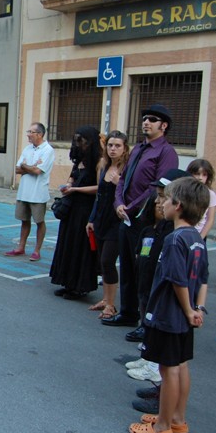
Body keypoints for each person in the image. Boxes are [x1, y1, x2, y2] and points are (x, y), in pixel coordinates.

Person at [128, 176, 210, 433]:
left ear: (179, 206)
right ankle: (176, 417)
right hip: (185, 316)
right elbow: (203, 278)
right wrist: (198, 309)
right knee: (180, 365)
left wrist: (187, 310)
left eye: (165, 199)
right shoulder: (197, 238)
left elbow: (178, 280)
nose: (160, 203)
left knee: (168, 369)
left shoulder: (175, 240)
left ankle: (162, 428)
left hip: (169, 315)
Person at [104, 104, 178, 327]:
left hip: (145, 221)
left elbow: (157, 188)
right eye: (145, 118)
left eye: (152, 119)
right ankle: (128, 313)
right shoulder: (138, 148)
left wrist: (131, 206)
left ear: (163, 126)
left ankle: (146, 323)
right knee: (126, 266)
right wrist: (118, 203)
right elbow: (123, 178)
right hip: (126, 218)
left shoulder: (166, 152)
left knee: (144, 271)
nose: (146, 122)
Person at [49, 126, 101, 299]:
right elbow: (72, 177)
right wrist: (69, 186)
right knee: (68, 244)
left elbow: (100, 188)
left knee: (81, 248)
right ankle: (68, 283)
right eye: (77, 140)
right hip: (72, 208)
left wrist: (76, 190)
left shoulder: (99, 162)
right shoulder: (79, 159)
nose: (79, 144)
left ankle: (80, 287)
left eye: (82, 141)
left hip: (86, 209)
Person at [86, 130, 130, 318]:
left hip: (116, 222)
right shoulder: (103, 166)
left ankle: (111, 305)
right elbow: (99, 196)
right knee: (102, 263)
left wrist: (119, 181)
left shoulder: (127, 169)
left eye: (117, 146)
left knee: (108, 261)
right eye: (110, 145)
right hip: (101, 220)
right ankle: (105, 299)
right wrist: (92, 219)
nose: (113, 149)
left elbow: (131, 195)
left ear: (125, 148)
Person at [5, 122, 55, 261]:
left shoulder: (48, 150)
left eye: (31, 132)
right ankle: (21, 247)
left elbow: (38, 171)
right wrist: (29, 167)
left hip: (38, 192)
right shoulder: (27, 149)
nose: (28, 134)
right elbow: (17, 169)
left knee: (39, 221)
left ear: (39, 134)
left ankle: (37, 250)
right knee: (24, 220)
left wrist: (26, 167)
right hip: (24, 191)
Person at [186, 158, 216, 241]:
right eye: (197, 174)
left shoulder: (210, 194)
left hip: (199, 233)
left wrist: (201, 236)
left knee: (197, 254)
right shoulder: (184, 190)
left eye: (204, 175)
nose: (200, 178)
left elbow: (210, 219)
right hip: (183, 232)